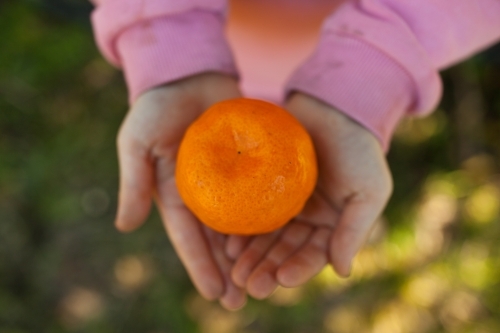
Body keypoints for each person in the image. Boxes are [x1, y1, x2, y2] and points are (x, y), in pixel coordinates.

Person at [90, 0, 500, 310]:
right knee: (261, 93)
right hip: (235, 42)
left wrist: (368, 69)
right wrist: (171, 35)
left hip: (390, 36)